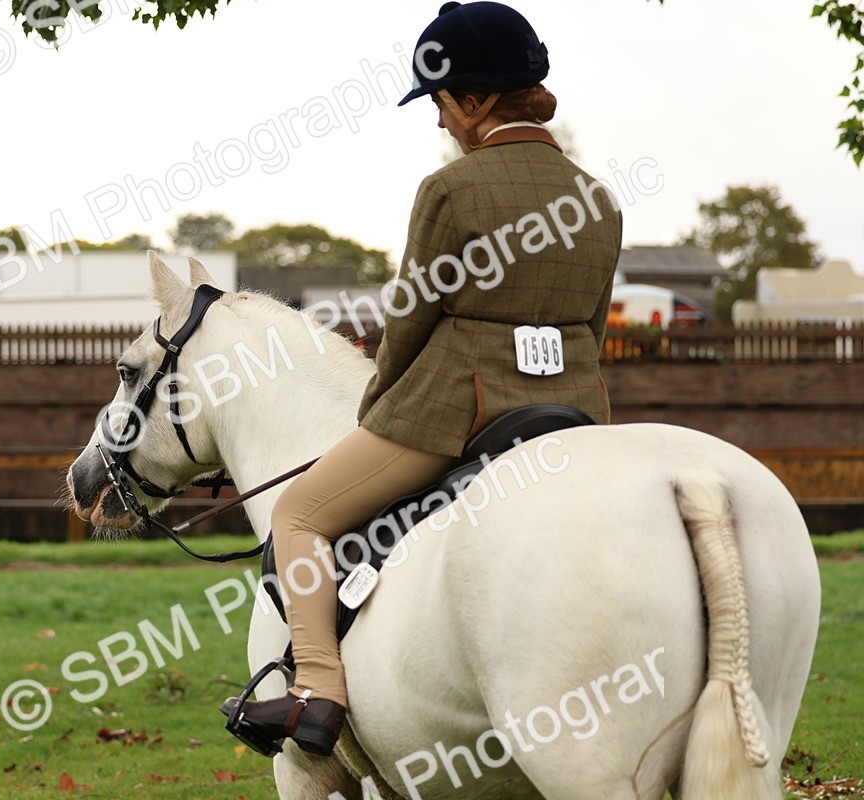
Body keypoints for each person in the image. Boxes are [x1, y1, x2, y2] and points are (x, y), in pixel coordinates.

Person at [222, 0, 623, 756]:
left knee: (300, 516)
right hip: (571, 409)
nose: (439, 121)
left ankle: (315, 689)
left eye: (440, 103)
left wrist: (376, 408)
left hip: (459, 410)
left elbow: (408, 322)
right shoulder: (598, 198)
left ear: (471, 100)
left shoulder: (450, 190)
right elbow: (593, 325)